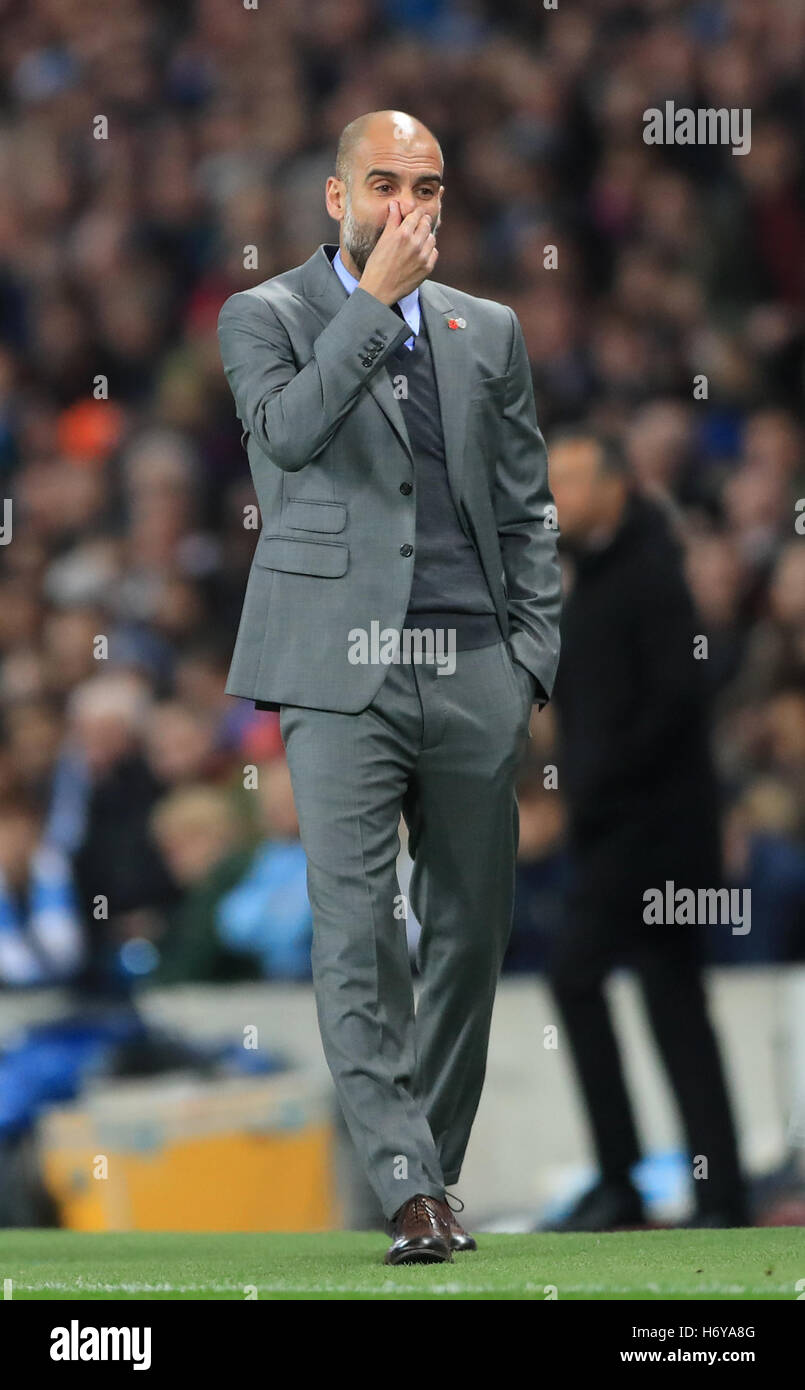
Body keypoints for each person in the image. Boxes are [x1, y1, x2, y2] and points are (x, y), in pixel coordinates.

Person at [217, 110, 561, 1263]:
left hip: (473, 664)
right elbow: (288, 435)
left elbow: (525, 507)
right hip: (333, 663)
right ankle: (409, 1185)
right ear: (335, 198)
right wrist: (370, 304)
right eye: (382, 181)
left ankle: (433, 1172)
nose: (406, 203)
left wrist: (529, 663)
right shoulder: (260, 315)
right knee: (359, 928)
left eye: (425, 185)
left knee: (470, 931)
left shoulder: (488, 328)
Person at [545, 428, 749, 1230]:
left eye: (567, 478)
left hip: (651, 834)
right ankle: (711, 1192)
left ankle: (629, 1183)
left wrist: (592, 785)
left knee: (587, 979)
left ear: (614, 487)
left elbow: (673, 704)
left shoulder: (647, 575)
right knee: (670, 999)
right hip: (627, 828)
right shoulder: (597, 575)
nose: (552, 494)